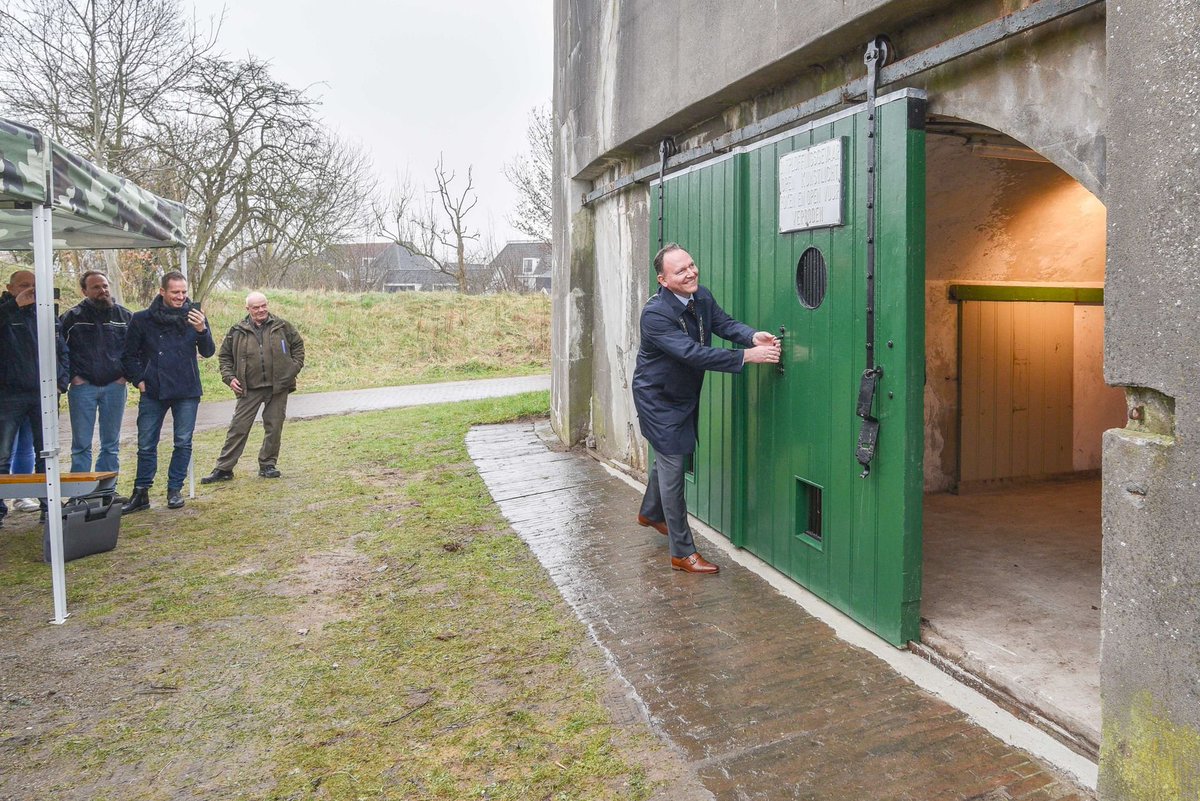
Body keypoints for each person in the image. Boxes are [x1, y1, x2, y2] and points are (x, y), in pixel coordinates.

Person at [632, 244, 780, 574]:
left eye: (691, 265)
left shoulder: (701, 297)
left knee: (672, 455)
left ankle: (651, 513)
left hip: (683, 395)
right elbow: (691, 353)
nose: (691, 272)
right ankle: (682, 553)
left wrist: (752, 336)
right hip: (658, 400)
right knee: (674, 469)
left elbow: (724, 324)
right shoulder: (655, 314)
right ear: (663, 279)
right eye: (680, 270)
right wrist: (745, 357)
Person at [120, 271, 214, 513]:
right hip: (153, 389)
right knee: (146, 443)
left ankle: (175, 489)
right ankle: (141, 493)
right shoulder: (141, 319)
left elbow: (208, 352)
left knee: (183, 441)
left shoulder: (195, 316)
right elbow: (128, 355)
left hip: (186, 388)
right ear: (162, 292)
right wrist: (139, 380)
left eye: (183, 292)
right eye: (175, 292)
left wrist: (202, 330)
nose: (181, 297)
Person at [200, 291, 305, 484]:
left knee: (274, 427)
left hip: (278, 386)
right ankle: (224, 469)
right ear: (247, 309)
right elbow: (224, 357)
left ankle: (268, 465)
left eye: (263, 305)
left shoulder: (282, 326)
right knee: (238, 428)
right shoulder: (237, 330)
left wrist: (292, 369)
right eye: (256, 307)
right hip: (249, 388)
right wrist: (229, 378)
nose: (261, 310)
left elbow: (298, 346)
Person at [0, 269, 69, 527]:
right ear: (10, 288)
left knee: (46, 452)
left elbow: (62, 349)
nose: (30, 290)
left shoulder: (46, 314)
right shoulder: (5, 312)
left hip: (45, 394)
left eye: (34, 286)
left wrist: (62, 383)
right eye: (24, 285)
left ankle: (48, 505)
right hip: (10, 394)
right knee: (2, 453)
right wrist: (14, 307)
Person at [60, 270, 133, 476]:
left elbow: (137, 350)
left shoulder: (125, 316)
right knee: (81, 444)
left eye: (105, 286)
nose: (103, 290)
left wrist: (124, 376)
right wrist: (73, 376)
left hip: (115, 387)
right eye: (96, 287)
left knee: (111, 443)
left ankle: (106, 490)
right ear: (84, 291)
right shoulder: (71, 318)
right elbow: (60, 350)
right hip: (83, 388)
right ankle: (79, 491)